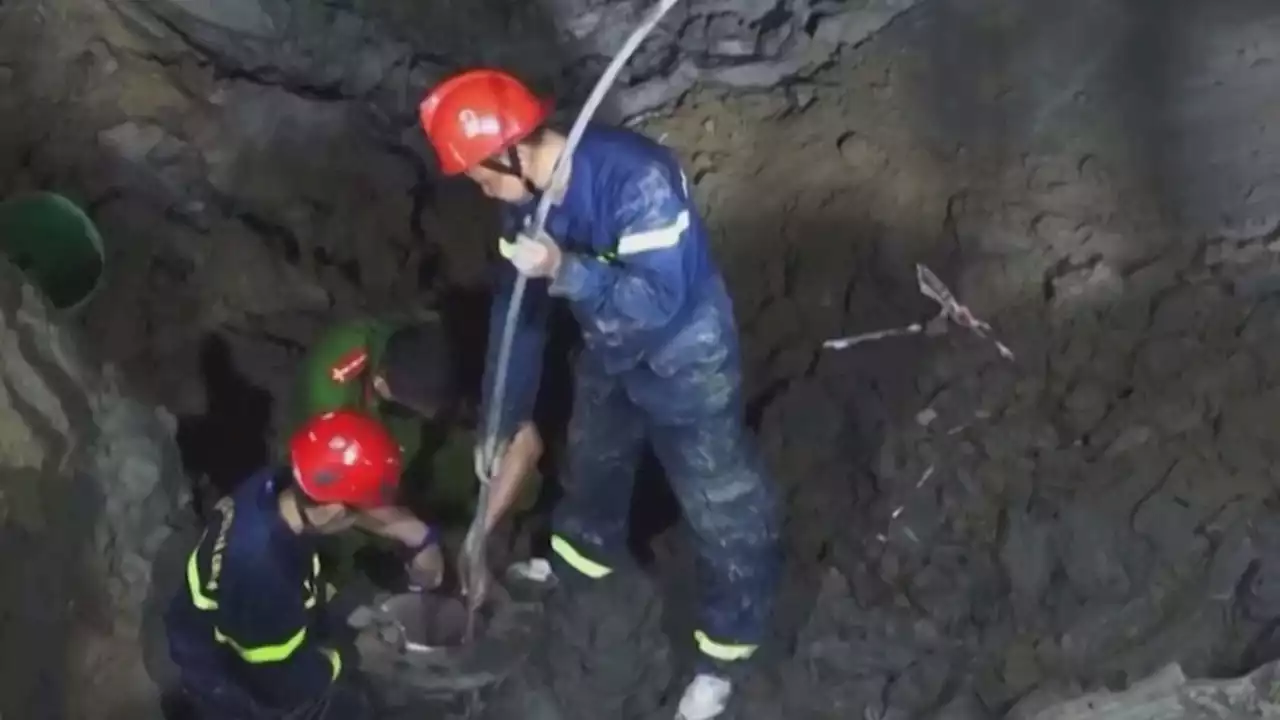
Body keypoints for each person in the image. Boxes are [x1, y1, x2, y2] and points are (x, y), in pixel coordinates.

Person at [418, 69, 782, 720]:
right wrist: (503, 417)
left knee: (718, 499)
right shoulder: (522, 199)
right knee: (593, 463)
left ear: (513, 151)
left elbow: (658, 301)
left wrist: (565, 268)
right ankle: (583, 563)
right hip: (607, 352)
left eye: (480, 174)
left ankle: (725, 651)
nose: (481, 189)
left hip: (683, 357)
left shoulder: (636, 181)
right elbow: (516, 311)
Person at [165, 410, 441, 718]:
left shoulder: (277, 485)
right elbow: (281, 683)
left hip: (246, 617)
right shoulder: (265, 571)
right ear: (334, 511)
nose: (363, 519)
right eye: (357, 512)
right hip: (231, 675)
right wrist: (353, 654)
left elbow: (349, 503)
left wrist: (420, 537)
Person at [291, 317, 544, 583]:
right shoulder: (328, 397)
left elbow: (527, 440)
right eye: (418, 407)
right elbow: (334, 495)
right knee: (345, 519)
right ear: (380, 385)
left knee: (482, 467)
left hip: (389, 419)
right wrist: (420, 537)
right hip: (331, 444)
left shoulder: (426, 342)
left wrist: (480, 533)